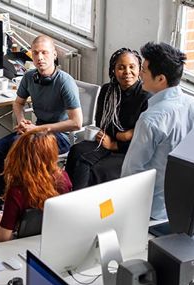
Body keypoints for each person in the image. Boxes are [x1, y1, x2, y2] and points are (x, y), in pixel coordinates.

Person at [0, 35, 82, 209]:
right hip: (34, 131)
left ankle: (25, 203)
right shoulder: (30, 77)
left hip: (58, 136)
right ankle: (2, 205)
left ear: (54, 54)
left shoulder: (64, 82)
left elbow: (76, 123)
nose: (39, 57)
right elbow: (18, 103)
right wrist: (22, 120)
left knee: (20, 152)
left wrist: (38, 129)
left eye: (44, 53)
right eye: (36, 53)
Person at [121, 42, 194, 220]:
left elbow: (131, 172)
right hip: (189, 207)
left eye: (145, 71)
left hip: (154, 211)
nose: (140, 74)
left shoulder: (150, 120)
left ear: (161, 79)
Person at [65, 48, 152, 190]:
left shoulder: (146, 97)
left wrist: (115, 144)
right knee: (77, 151)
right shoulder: (107, 90)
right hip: (105, 138)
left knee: (96, 169)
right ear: (113, 70)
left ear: (140, 69)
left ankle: (81, 202)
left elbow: (143, 138)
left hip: (129, 150)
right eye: (121, 67)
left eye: (132, 67)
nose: (127, 72)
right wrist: (121, 135)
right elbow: (100, 122)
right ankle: (68, 194)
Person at [0, 130, 72, 247]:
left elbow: (3, 238)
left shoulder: (17, 190)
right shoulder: (63, 178)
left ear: (19, 155)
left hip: (18, 240)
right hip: (47, 232)